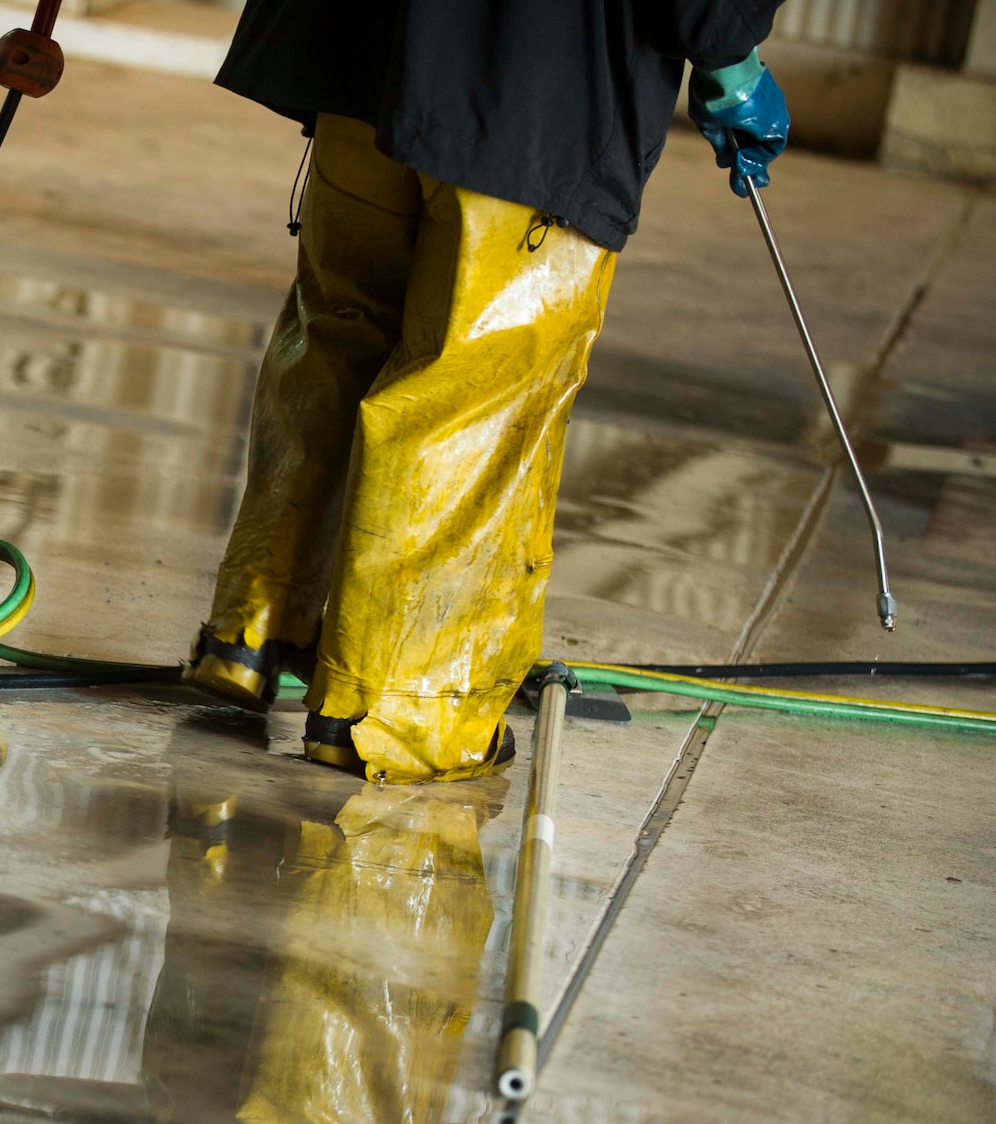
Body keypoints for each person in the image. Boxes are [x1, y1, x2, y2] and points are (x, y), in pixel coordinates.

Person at [186, 1, 792, 784]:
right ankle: (398, 708)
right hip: (530, 92)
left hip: (370, 52)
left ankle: (253, 630)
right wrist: (730, 52)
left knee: (339, 332)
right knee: (467, 392)